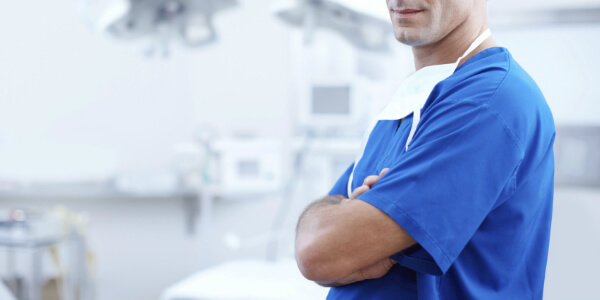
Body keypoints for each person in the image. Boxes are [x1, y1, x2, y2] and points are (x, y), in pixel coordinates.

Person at [294, 0, 555, 299]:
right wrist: (331, 231)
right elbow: (317, 238)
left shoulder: (488, 102)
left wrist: (339, 236)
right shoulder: (410, 104)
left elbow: (318, 252)